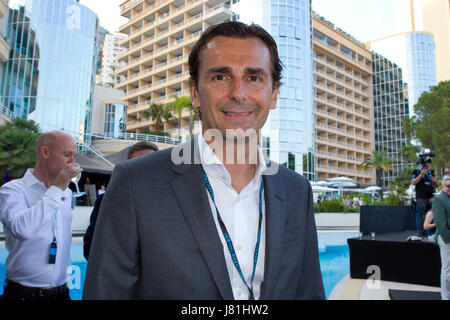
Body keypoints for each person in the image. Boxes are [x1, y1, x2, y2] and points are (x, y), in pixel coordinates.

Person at [83, 21, 325, 300]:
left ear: (274, 95)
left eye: (254, 78)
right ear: (195, 92)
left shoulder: (296, 191)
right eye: (220, 77)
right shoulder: (135, 184)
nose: (238, 92)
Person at [0, 130, 82, 300]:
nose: (72, 162)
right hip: (23, 295)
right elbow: (22, 229)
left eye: (73, 155)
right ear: (45, 152)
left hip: (61, 292)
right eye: (67, 154)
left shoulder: (65, 193)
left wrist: (59, 189)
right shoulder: (13, 190)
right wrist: (57, 188)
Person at [82, 141, 159, 261]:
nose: (145, 168)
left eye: (151, 163)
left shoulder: (171, 203)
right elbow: (90, 248)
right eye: (139, 163)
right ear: (129, 167)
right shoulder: (107, 201)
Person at [432, 176, 450, 300]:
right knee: (446, 270)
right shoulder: (439, 199)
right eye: (448, 186)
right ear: (443, 186)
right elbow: (440, 223)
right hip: (446, 238)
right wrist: (448, 238)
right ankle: (445, 296)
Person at [411, 159, 438, 237]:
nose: (428, 164)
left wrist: (435, 181)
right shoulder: (416, 171)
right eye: (426, 163)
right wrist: (421, 174)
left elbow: (436, 184)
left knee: (431, 214)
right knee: (421, 215)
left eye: (429, 163)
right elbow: (413, 182)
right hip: (421, 197)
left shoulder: (431, 173)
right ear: (422, 164)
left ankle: (431, 233)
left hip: (431, 197)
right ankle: (422, 234)